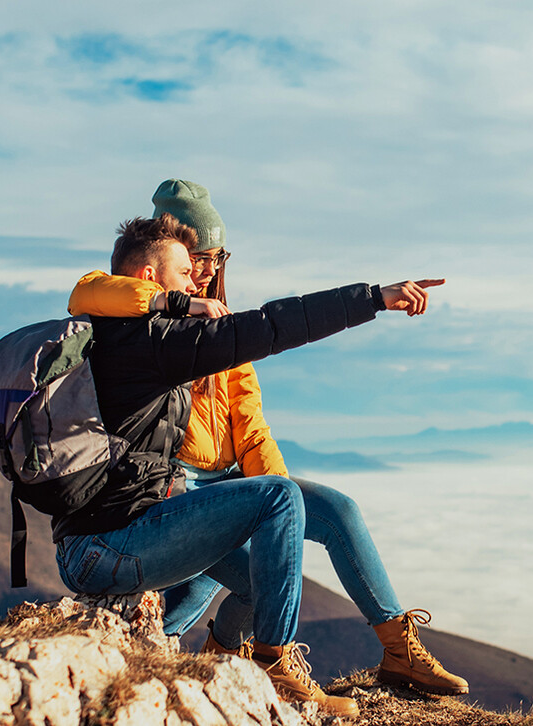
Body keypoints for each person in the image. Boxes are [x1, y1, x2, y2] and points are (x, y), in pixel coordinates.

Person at [64, 179, 469, 696]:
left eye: (214, 257)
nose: (205, 271)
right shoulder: (143, 326)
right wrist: (372, 299)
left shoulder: (210, 324)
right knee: (251, 546)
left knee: (326, 512)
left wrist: (281, 513)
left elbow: (250, 420)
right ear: (158, 270)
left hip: (214, 483)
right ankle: (246, 660)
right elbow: (96, 288)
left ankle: (394, 648)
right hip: (168, 493)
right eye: (193, 261)